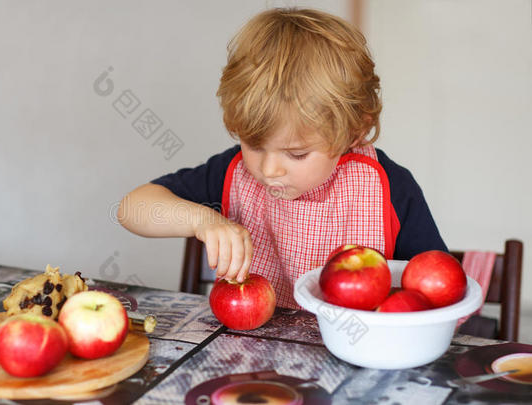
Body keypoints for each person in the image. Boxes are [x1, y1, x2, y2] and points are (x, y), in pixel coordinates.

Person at [118, 8, 447, 309]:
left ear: (354, 131)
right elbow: (131, 208)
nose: (268, 169)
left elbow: (436, 289)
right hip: (250, 356)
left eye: (297, 153)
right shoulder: (231, 172)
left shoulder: (389, 187)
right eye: (255, 145)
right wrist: (203, 221)